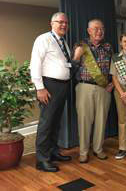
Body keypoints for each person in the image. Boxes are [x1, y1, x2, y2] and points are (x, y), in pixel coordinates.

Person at [30, 12, 72, 172]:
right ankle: (42, 160)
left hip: (62, 86)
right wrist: (40, 88)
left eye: (66, 23)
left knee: (56, 122)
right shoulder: (44, 39)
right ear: (51, 23)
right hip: (49, 86)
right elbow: (35, 64)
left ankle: (53, 152)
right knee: (46, 123)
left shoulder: (62, 41)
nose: (63, 25)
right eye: (60, 22)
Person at [72, 19, 114, 163]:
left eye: (102, 29)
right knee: (84, 121)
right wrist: (76, 56)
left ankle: (98, 149)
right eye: (96, 29)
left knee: (101, 121)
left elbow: (115, 68)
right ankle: (83, 152)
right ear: (89, 31)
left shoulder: (108, 47)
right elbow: (72, 65)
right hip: (85, 87)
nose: (99, 31)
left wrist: (112, 84)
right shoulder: (80, 45)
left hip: (104, 88)